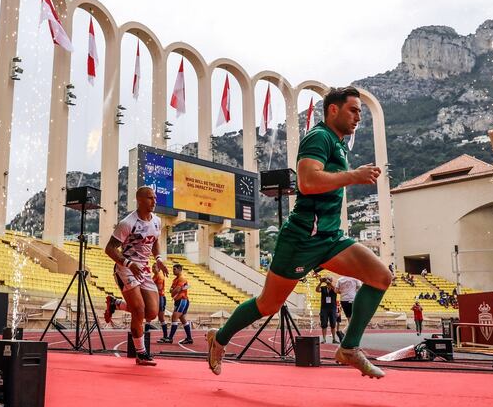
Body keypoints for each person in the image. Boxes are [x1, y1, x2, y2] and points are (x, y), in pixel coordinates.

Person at [206, 87, 391, 378]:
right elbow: (306, 182)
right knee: (268, 304)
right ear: (333, 110)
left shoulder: (339, 144)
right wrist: (354, 176)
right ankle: (219, 338)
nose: (358, 117)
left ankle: (349, 348)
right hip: (302, 238)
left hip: (329, 238)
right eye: (353, 110)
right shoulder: (319, 137)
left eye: (360, 112)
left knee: (381, 277)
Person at [104, 186, 169, 365]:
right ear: (139, 200)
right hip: (126, 268)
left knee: (152, 313)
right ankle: (141, 354)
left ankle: (115, 303)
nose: (154, 201)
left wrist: (159, 258)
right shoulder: (128, 223)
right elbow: (109, 249)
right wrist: (128, 263)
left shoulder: (157, 221)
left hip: (145, 269)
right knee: (139, 310)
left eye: (155, 198)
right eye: (150, 198)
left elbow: (155, 240)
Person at [167, 263, 193, 345]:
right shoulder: (175, 280)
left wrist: (175, 290)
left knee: (174, 317)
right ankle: (189, 338)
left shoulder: (182, 279)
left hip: (182, 300)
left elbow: (175, 291)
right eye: (173, 269)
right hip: (178, 300)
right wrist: (175, 290)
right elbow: (171, 290)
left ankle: (170, 338)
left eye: (174, 269)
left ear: (179, 269)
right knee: (182, 319)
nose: (173, 271)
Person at [315, 272, 340, 344]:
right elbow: (317, 290)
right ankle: (324, 339)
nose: (327, 281)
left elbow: (336, 290)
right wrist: (320, 282)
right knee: (324, 324)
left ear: (331, 280)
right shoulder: (323, 288)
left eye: (329, 279)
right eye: (327, 279)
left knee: (333, 324)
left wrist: (330, 283)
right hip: (324, 308)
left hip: (332, 308)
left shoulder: (333, 288)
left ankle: (334, 339)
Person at [153, 264, 170, 343]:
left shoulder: (160, 276)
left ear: (159, 269)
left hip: (160, 297)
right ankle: (145, 335)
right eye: (152, 267)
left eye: (154, 267)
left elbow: (159, 288)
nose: (152, 268)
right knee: (151, 318)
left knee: (161, 318)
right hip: (155, 297)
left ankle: (165, 336)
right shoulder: (154, 276)